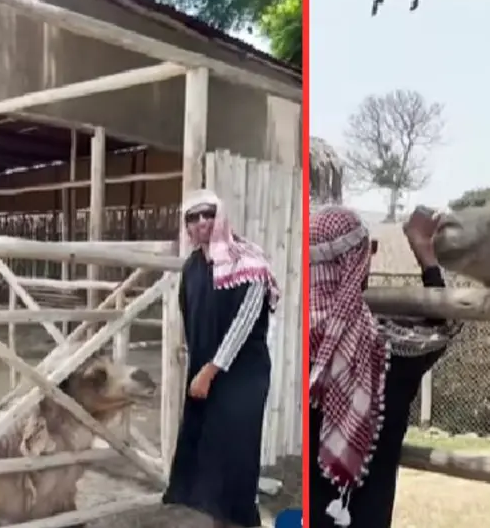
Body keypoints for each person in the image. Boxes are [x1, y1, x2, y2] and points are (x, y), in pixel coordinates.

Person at [309, 205, 463, 528]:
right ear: (359, 259)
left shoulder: (290, 343)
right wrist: (425, 255)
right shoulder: (390, 350)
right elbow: (446, 324)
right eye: (370, 249)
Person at [162, 189, 280, 528]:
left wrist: (209, 371)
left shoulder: (250, 263)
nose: (202, 222)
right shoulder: (192, 268)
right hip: (205, 375)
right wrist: (192, 358)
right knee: (210, 463)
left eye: (208, 214)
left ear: (220, 217)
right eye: (193, 217)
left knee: (237, 460)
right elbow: (191, 315)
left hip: (241, 376)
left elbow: (243, 326)